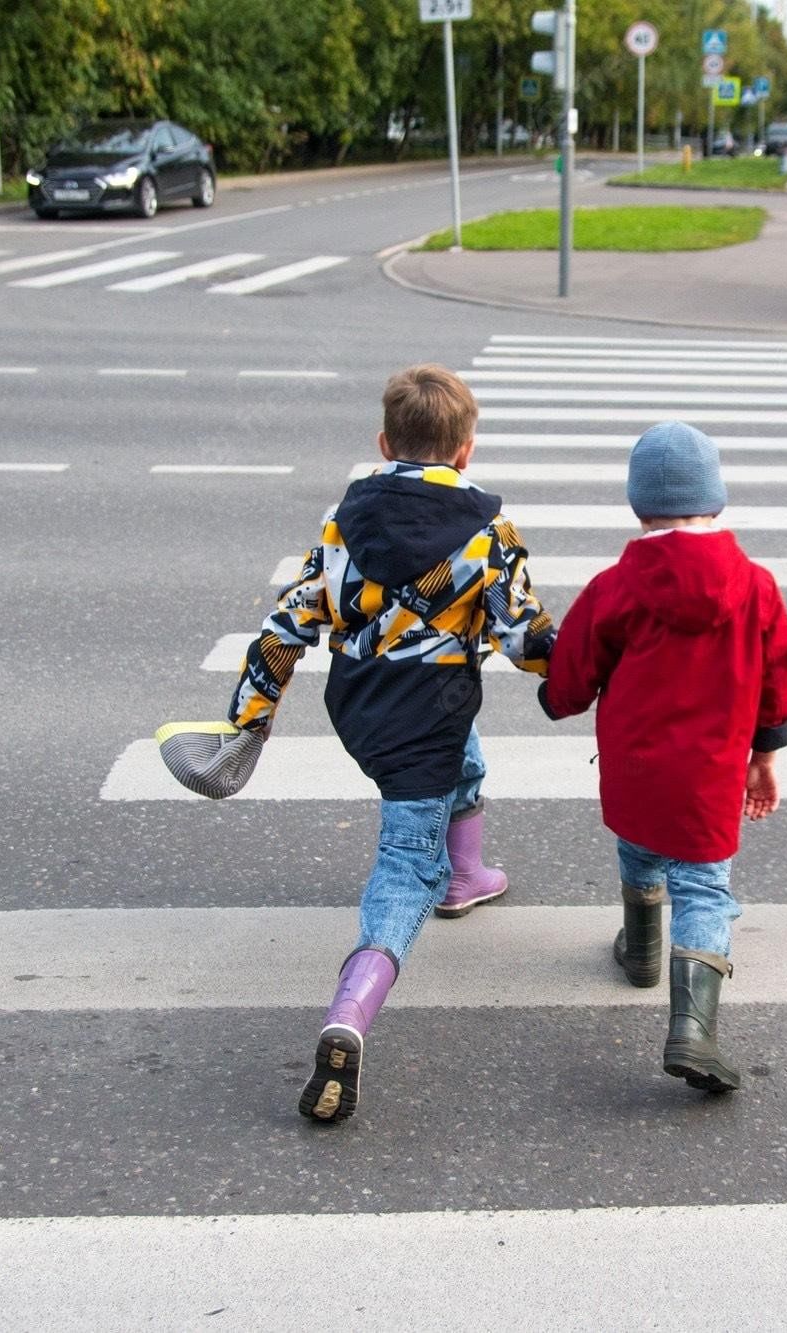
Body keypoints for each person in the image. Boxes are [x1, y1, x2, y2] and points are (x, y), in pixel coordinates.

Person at [227, 364, 556, 1124]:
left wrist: (250, 717)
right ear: (467, 450)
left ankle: (467, 875)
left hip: (359, 705)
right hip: (425, 716)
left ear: (384, 443)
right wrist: (594, 667)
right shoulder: (488, 535)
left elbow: (291, 619)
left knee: (461, 762)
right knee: (407, 862)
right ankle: (349, 1013)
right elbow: (523, 638)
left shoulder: (345, 520)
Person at [542, 421, 787, 1093]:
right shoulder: (756, 586)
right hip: (709, 777)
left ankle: (642, 950)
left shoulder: (616, 585)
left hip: (634, 768)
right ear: (716, 500)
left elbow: (574, 669)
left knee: (640, 850)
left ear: (637, 505)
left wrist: (555, 694)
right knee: (705, 887)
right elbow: (777, 677)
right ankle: (692, 1028)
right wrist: (765, 753)